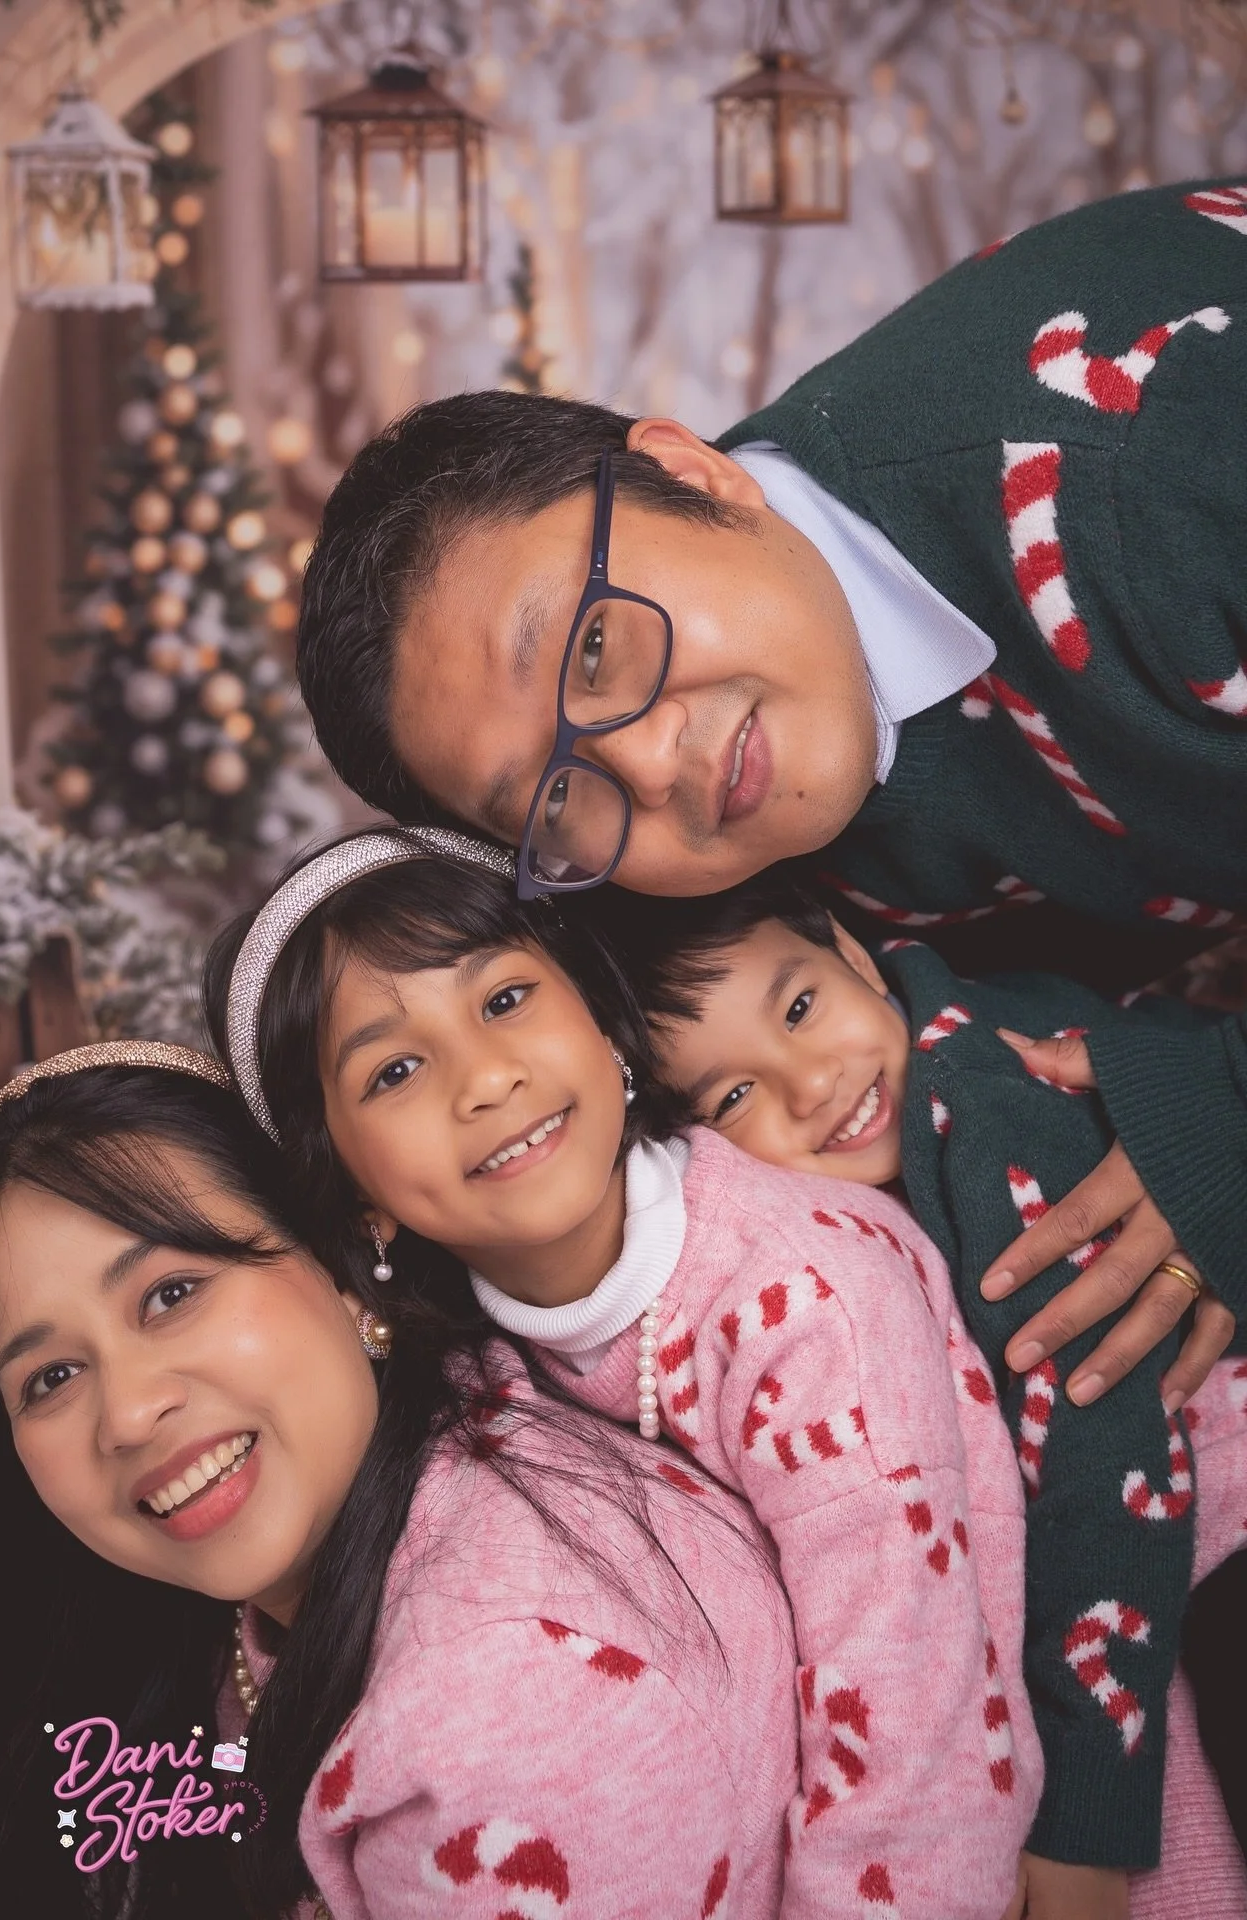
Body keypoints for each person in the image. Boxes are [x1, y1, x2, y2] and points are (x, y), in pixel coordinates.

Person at [288, 176, 1247, 1426]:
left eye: (592, 650)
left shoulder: (1143, 454)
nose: (648, 765)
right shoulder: (763, 868)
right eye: (556, 793)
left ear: (691, 472)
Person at [208, 824, 1042, 1919]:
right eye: (395, 1069)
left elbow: (917, 1743)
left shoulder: (805, 1289)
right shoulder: (459, 1362)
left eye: (504, 1001)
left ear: (605, 1023)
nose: (486, 1078)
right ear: (352, 1184)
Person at [0, 1041, 808, 1920]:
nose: (126, 1413)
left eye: (171, 1294)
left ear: (343, 1266)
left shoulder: (505, 1702)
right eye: (50, 1378)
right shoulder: (393, 1500)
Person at [585, 869, 1247, 1915]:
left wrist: (1086, 1815)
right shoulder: (932, 1025)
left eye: (799, 1008)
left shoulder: (978, 1116)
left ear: (852, 953)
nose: (812, 1084)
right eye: (735, 1095)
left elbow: (1109, 1452)